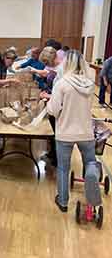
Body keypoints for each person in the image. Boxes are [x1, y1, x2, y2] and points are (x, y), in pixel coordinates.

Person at [42, 50, 102, 212]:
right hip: (86, 132)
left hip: (65, 133)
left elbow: (53, 110)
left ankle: (63, 201)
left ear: (66, 63)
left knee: (63, 168)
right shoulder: (90, 84)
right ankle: (90, 184)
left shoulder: (61, 83)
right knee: (90, 162)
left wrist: (48, 104)